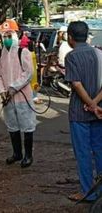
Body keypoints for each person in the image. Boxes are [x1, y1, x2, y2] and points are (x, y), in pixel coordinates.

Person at [63, 21, 102, 202]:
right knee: (99, 150)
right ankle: (100, 189)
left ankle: (88, 191)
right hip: (99, 111)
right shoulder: (98, 53)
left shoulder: (71, 56)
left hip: (80, 112)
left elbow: (76, 84)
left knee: (83, 153)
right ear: (86, 35)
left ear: (70, 37)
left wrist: (89, 104)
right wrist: (95, 104)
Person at [0, 21, 36, 168]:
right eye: (4, 36)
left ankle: (28, 155)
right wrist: (2, 91)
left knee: (27, 125)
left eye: (9, 35)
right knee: (12, 125)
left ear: (16, 35)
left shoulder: (23, 52)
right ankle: (17, 153)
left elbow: (28, 73)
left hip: (23, 96)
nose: (7, 38)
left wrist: (14, 87)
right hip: (8, 98)